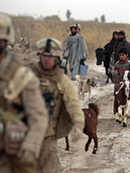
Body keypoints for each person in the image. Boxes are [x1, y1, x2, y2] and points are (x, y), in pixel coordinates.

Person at [0, 10, 48, 172]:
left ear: (4, 41)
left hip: (7, 158)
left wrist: (30, 147)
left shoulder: (20, 75)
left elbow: (38, 116)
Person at [29, 38, 85, 173]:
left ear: (58, 58)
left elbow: (73, 104)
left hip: (48, 135)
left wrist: (78, 123)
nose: (47, 59)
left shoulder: (62, 81)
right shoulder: (26, 74)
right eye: (44, 56)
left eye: (51, 56)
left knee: (50, 168)